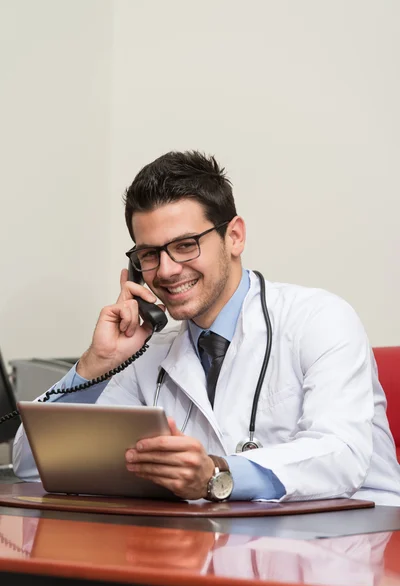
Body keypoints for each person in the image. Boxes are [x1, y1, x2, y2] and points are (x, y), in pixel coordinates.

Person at [12, 150, 400, 505]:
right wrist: (97, 364)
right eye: (149, 254)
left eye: (185, 245)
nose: (165, 270)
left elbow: (341, 454)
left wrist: (217, 473)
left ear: (234, 236)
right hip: (218, 546)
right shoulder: (148, 352)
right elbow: (33, 466)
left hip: (353, 539)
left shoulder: (320, 319)